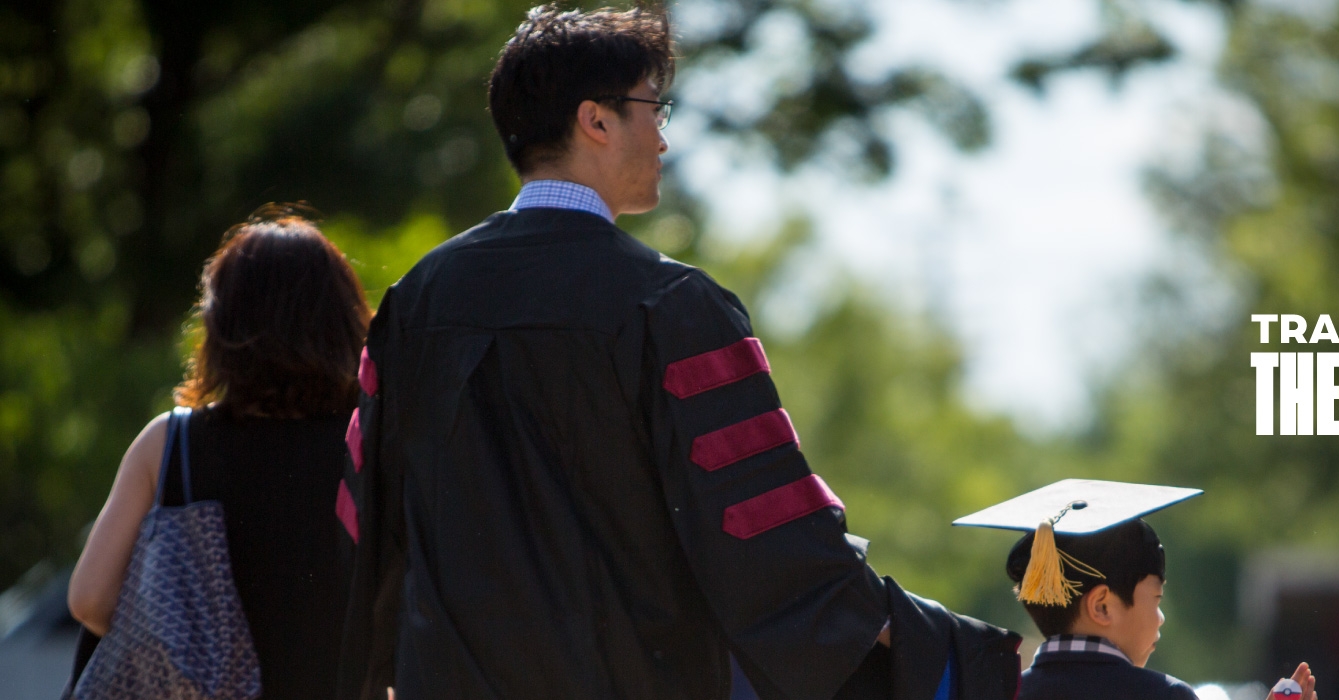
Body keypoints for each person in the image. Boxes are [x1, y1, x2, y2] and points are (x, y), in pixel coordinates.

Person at [336, 6, 1017, 700]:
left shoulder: (412, 305)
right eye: (653, 108)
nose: (662, 137)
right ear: (595, 121)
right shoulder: (671, 306)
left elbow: (368, 531)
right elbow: (777, 549)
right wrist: (949, 649)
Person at [68, 204, 368, 699]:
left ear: (222, 326)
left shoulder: (172, 445)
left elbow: (89, 600)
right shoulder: (370, 442)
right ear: (344, 322)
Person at [954, 480, 1317, 700]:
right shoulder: (1163, 696)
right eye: (1155, 599)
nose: (1160, 618)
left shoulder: (1006, 692)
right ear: (1103, 607)